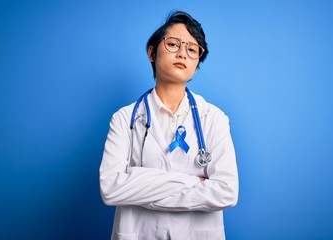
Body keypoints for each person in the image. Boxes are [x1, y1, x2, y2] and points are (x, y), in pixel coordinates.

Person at [99, 11, 239, 240]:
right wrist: (193, 183)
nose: (183, 53)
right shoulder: (125, 119)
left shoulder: (214, 119)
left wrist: (136, 181)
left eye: (192, 49)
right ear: (151, 53)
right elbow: (110, 188)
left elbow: (227, 192)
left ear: (197, 62)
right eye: (173, 44)